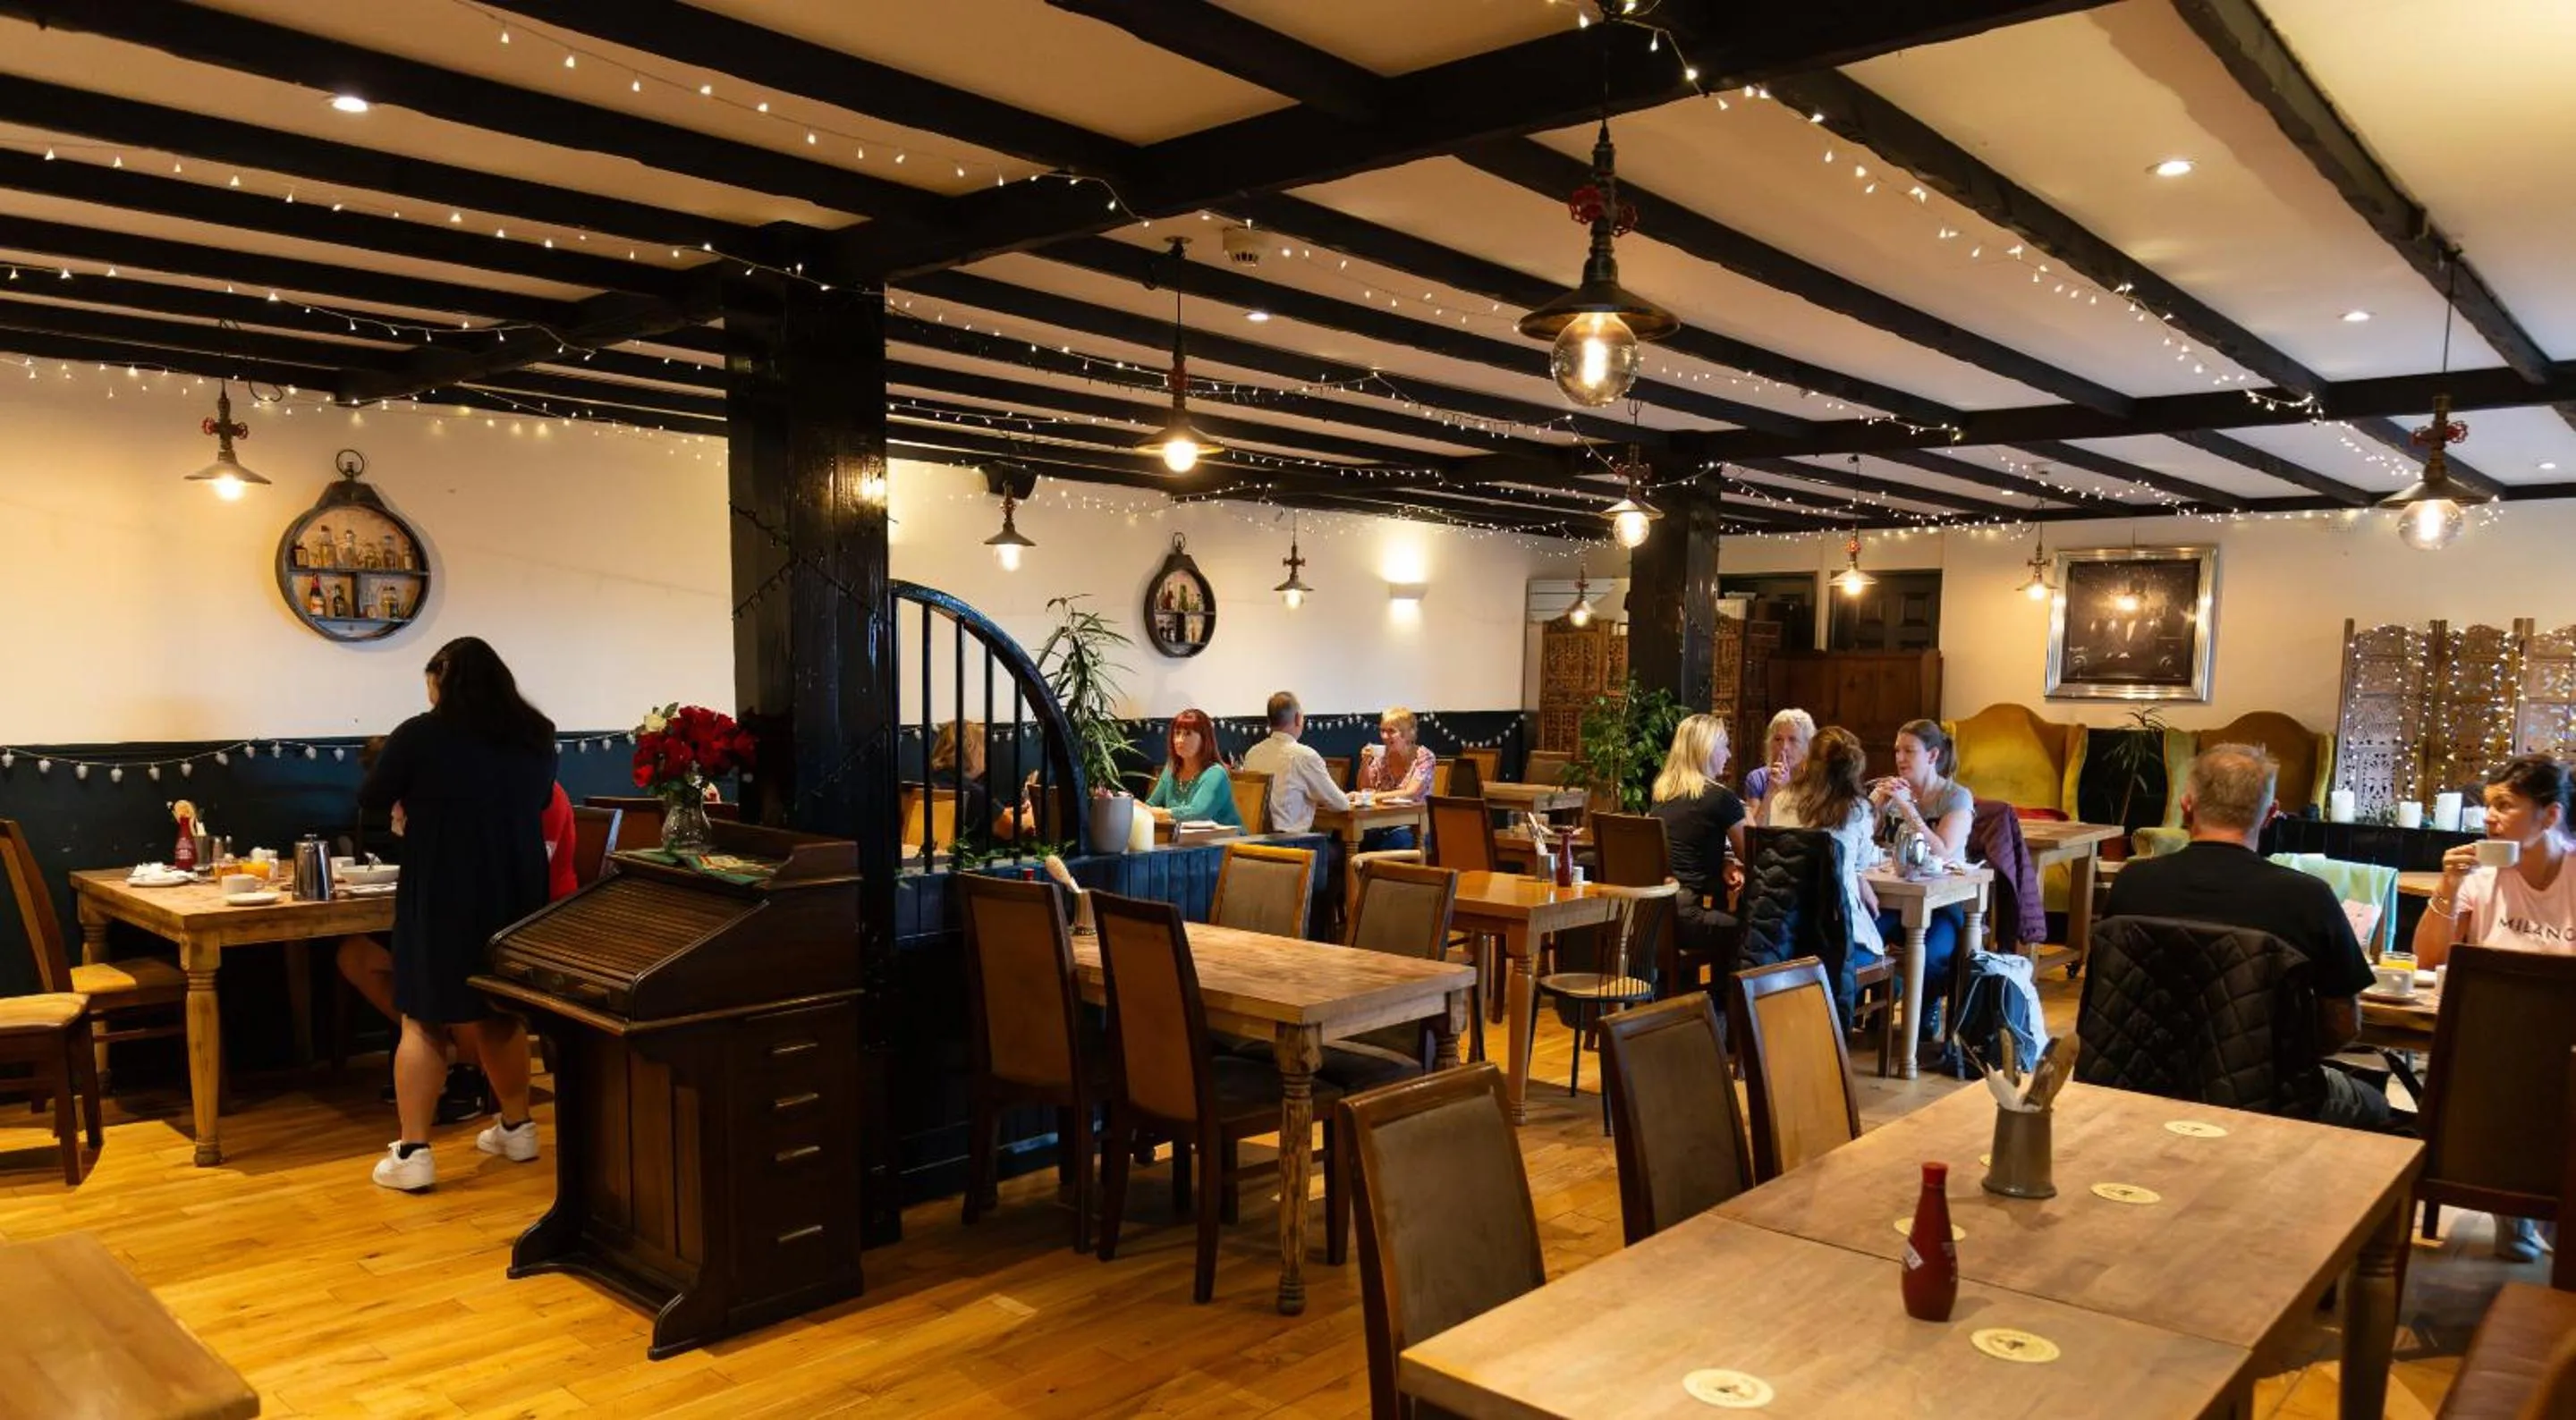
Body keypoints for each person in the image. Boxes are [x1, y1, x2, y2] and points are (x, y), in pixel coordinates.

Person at [356, 637, 556, 1191]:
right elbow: (538, 802)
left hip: (442, 886)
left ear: (442, 680)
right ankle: (518, 1127)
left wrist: (418, 802)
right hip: (515, 889)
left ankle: (413, 1151)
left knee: (422, 1015)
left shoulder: (422, 733)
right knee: (498, 1011)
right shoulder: (536, 735)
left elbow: (373, 795)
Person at [2103, 745, 2384, 1131]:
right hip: (2267, 1097)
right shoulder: (2307, 898)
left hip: (2137, 1086)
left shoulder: (2132, 884)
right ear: (2271, 814)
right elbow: (2343, 1024)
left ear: (2187, 807)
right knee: (2375, 1101)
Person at [2412, 753, 2576, 1262]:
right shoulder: (2483, 879)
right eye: (2487, 806)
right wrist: (2448, 886)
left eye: (2505, 806)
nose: (2489, 818)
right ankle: (2520, 1206)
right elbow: (2429, 957)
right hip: (2494, 1044)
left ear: (2549, 816)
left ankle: (2546, 1205)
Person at [1868, 718, 1975, 1004]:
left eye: (1909, 751)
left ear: (1932, 755)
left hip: (1942, 904)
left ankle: (1924, 1013)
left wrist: (1908, 808)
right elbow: (1860, 842)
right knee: (1858, 942)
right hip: (1891, 899)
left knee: (1931, 955)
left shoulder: (1956, 797)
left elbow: (1944, 852)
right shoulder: (1893, 792)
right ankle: (1867, 1010)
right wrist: (1875, 804)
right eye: (1896, 751)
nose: (1900, 758)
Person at [1763, 726, 1885, 963]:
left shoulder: (1781, 801)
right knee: (1878, 932)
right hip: (1840, 936)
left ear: (1809, 761)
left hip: (1787, 934)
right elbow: (1861, 862)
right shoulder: (1858, 810)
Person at [1649, 714, 1747, 978]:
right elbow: (1753, 853)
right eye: (1723, 745)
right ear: (1706, 749)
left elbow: (1689, 849)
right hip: (1690, 919)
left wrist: (1724, 863)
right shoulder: (1720, 797)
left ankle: (1711, 1005)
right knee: (1758, 931)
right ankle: (1730, 1010)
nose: (1727, 754)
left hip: (1654, 918)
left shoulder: (1662, 794)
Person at [1239, 690, 1349, 834]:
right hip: (1292, 845)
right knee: (1343, 850)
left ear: (1270, 721)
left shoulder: (1252, 754)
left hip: (1253, 843)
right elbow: (1340, 804)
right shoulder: (1305, 756)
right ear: (1298, 718)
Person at [929, 719, 1033, 847]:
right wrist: (1032, 814)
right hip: (972, 861)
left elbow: (984, 815)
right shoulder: (972, 792)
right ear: (971, 750)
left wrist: (1006, 812)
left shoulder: (938, 782)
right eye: (983, 747)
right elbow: (1009, 829)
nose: (986, 753)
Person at [1355, 706, 1436, 849]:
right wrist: (1365, 762)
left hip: (1415, 826)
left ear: (1407, 734)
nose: (1385, 736)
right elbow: (1364, 789)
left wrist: (1375, 797)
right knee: (1356, 838)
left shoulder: (1424, 757)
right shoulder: (1382, 756)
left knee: (1391, 843)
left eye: (1391, 731)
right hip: (1383, 822)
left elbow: (1410, 793)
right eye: (1382, 731)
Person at [1144, 708, 1239, 828]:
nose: (1180, 740)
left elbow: (1198, 813)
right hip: (1185, 841)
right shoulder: (1172, 767)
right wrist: (1139, 808)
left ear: (1204, 739)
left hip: (1226, 841)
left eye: (1188, 734)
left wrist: (1159, 813)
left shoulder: (1216, 773)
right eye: (1177, 733)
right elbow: (1152, 804)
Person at [1743, 708, 1816, 825]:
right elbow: (1754, 832)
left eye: (1793, 740)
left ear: (1807, 746)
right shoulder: (1758, 778)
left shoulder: (1816, 780)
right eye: (1778, 739)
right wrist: (1771, 791)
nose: (1784, 747)